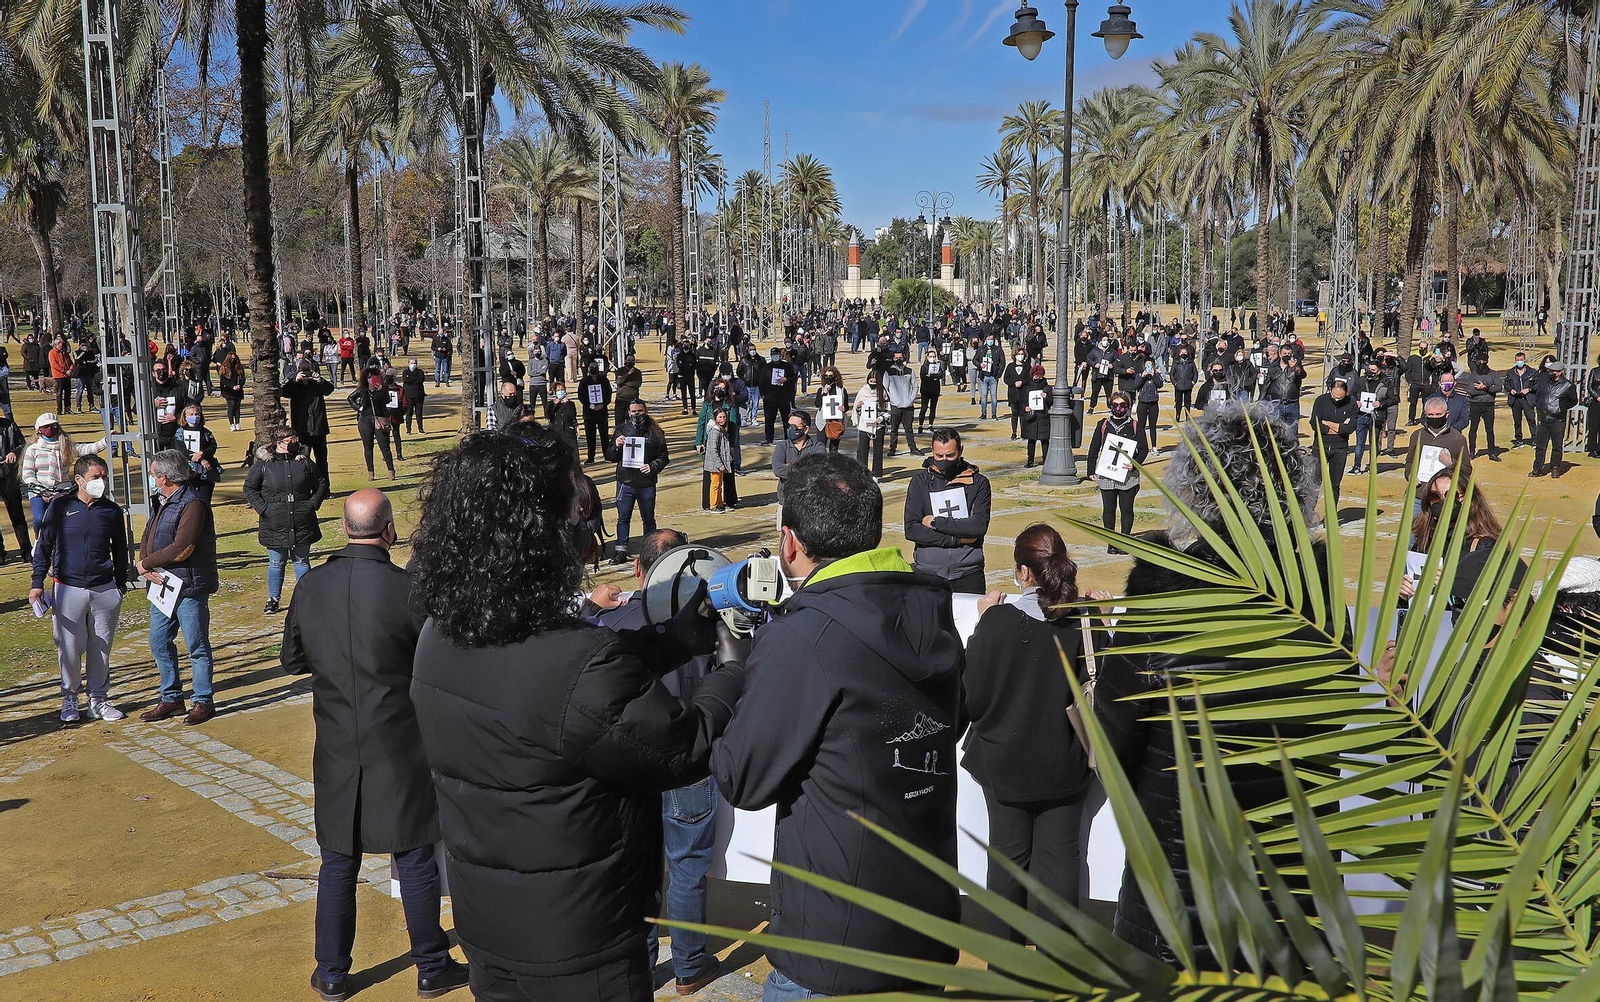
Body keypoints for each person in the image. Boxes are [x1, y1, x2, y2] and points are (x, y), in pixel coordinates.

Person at [408, 429, 746, 1002]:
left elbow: (556, 702)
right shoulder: (578, 662)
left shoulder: (440, 636)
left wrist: (667, 641)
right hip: (580, 941)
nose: (583, 529)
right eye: (575, 511)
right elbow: (682, 747)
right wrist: (733, 669)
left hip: (488, 924)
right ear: (538, 534)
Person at [711, 453, 961, 999]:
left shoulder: (806, 636)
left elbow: (743, 779)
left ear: (789, 542)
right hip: (925, 925)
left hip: (832, 944)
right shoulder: (928, 606)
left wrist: (733, 672)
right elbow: (949, 720)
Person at [1093, 404, 1332, 968]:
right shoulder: (1309, 586)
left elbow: (1114, 732)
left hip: (1176, 867)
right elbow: (1329, 719)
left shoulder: (1160, 587)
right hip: (1286, 870)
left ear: (1192, 487)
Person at [282, 490, 469, 1002]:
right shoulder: (408, 589)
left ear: (345, 529)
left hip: (338, 741)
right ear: (387, 530)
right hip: (399, 741)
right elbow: (438, 661)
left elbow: (292, 659)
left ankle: (333, 972)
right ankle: (431, 965)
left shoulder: (311, 586)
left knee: (338, 861)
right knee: (413, 858)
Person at [584, 529, 725, 997]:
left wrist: (589, 609)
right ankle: (687, 966)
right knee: (686, 866)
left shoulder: (615, 620)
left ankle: (643, 959)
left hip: (634, 758)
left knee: (637, 866)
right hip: (689, 756)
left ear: (641, 571)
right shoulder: (714, 622)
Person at [963, 524, 1098, 921]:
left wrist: (981, 625)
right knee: (1062, 864)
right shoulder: (1082, 621)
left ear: (1023, 573)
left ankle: (1008, 974)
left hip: (1005, 765)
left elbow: (971, 698)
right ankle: (1063, 971)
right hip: (1066, 766)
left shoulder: (999, 622)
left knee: (1006, 864)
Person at [29, 455, 129, 722]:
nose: (102, 482)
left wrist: (120, 585)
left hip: (104, 589)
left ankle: (98, 699)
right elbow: (43, 547)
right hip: (67, 589)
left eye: (104, 477)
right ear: (79, 480)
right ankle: (69, 698)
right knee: (69, 648)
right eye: (97, 477)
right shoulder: (60, 507)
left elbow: (120, 549)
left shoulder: (111, 510)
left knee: (100, 648)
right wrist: (37, 582)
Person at [137, 449, 220, 725]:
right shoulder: (161, 500)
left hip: (189, 586)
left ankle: (203, 701)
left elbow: (182, 546)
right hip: (161, 587)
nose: (152, 479)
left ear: (165, 477)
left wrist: (147, 563)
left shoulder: (193, 503)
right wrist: (144, 565)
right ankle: (171, 697)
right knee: (159, 641)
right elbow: (147, 534)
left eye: (153, 475)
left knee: (196, 645)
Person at [245, 427, 329, 614]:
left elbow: (321, 483)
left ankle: (306, 598)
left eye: (295, 439)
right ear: (280, 443)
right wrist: (263, 508)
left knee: (301, 560)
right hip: (274, 520)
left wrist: (312, 504)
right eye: (291, 439)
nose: (294, 443)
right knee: (276, 562)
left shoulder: (304, 461)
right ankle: (273, 599)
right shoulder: (263, 464)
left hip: (301, 517)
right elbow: (250, 488)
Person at [903, 429, 991, 594]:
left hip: (968, 572)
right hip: (928, 572)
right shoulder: (919, 483)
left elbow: (978, 526)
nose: (944, 460)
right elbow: (912, 529)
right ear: (932, 452)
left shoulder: (979, 483)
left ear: (961, 451)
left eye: (950, 455)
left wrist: (936, 522)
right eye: (939, 456)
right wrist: (957, 539)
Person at [605, 400, 669, 563]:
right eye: (633, 411)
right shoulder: (622, 430)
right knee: (623, 518)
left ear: (646, 412)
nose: (637, 414)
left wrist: (653, 466)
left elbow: (664, 457)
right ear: (628, 412)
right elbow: (610, 456)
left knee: (648, 519)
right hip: (625, 482)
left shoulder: (655, 432)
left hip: (646, 483)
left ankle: (651, 551)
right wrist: (616, 446)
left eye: (640, 411)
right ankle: (620, 551)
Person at [1085, 391, 1149, 553]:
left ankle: (1125, 540)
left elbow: (1143, 449)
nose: (1118, 408)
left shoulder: (1135, 425)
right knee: (1108, 509)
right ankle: (1111, 542)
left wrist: (1134, 464)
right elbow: (1093, 448)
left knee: (1126, 508)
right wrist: (1090, 470)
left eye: (1122, 405)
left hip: (1128, 475)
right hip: (1107, 473)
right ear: (1110, 406)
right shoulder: (1103, 424)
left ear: (1127, 407)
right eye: (1115, 405)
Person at [21, 413, 106, 528]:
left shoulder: (66, 446)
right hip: (38, 492)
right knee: (39, 519)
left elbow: (87, 449)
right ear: (39, 430)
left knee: (66, 519)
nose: (50, 429)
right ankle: (40, 542)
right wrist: (42, 492)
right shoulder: (33, 449)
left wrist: (105, 441)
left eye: (54, 426)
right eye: (46, 427)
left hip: (62, 490)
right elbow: (27, 474)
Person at [281, 361, 335, 485]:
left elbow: (329, 389)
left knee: (322, 460)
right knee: (302, 460)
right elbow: (284, 392)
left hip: (318, 428)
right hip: (301, 429)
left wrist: (320, 380)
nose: (306, 376)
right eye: (303, 373)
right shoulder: (295, 386)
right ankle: (306, 488)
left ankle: (325, 488)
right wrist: (294, 380)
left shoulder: (317, 385)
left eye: (308, 372)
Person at [1310, 377, 1359, 499]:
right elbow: (1315, 424)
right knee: (1314, 482)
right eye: (1334, 396)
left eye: (1340, 398)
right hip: (1320, 447)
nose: (1337, 400)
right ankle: (1308, 515)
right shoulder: (1321, 401)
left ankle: (1330, 517)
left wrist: (1328, 423)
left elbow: (1350, 428)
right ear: (1330, 391)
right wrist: (1338, 427)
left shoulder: (1351, 404)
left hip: (1340, 449)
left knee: (1334, 485)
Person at [1532, 360, 1579, 477]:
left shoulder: (1568, 385)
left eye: (1553, 371)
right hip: (1543, 418)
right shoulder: (1543, 382)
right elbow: (1538, 395)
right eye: (1550, 371)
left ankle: (1555, 467)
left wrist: (1562, 407)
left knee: (1557, 446)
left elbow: (1574, 400)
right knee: (1540, 446)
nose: (1551, 373)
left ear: (1559, 372)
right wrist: (1539, 406)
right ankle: (1537, 468)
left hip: (1557, 420)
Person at [349, 372, 398, 481]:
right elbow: (350, 398)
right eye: (369, 377)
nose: (371, 380)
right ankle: (370, 472)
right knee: (368, 447)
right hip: (365, 420)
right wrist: (358, 408)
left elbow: (387, 400)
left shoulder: (381, 389)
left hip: (380, 420)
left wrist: (382, 390)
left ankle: (391, 470)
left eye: (373, 377)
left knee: (384, 446)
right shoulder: (362, 389)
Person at [883, 351, 920, 457]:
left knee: (909, 429)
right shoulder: (888, 372)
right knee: (894, 429)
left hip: (908, 406)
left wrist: (911, 399)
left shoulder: (910, 371)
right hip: (895, 406)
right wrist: (893, 400)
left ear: (904, 358)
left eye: (900, 357)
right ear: (893, 359)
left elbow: (915, 386)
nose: (898, 359)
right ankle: (892, 449)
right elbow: (885, 388)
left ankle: (913, 448)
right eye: (896, 357)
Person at [852, 370, 888, 478]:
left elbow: (888, 409)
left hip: (878, 425)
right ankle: (862, 472)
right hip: (864, 425)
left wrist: (881, 418)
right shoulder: (863, 391)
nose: (872, 383)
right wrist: (859, 406)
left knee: (878, 449)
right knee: (862, 449)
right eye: (870, 381)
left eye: (874, 381)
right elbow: (856, 409)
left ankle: (876, 474)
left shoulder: (883, 392)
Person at [577, 359, 612, 464]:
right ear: (588, 369)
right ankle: (591, 457)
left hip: (602, 412)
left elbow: (608, 394)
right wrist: (590, 406)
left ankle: (607, 455)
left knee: (604, 435)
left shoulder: (604, 380)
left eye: (595, 367)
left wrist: (603, 405)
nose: (594, 369)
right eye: (592, 367)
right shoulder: (584, 381)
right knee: (590, 436)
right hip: (589, 413)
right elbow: (581, 396)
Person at [703, 408, 734, 513]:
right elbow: (713, 449)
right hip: (715, 463)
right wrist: (719, 464)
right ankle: (713, 505)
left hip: (720, 462)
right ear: (715, 417)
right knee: (715, 484)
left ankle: (720, 503)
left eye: (724, 417)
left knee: (719, 484)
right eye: (720, 417)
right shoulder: (715, 431)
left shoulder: (721, 429)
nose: (723, 419)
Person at [1021, 366, 1052, 467]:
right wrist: (1025, 407)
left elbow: (1052, 402)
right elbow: (1021, 401)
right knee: (1031, 440)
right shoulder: (1027, 388)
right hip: (1032, 417)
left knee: (1045, 440)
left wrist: (1047, 397)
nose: (1037, 377)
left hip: (1044, 417)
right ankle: (1030, 460)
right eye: (1035, 375)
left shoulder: (1047, 388)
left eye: (1039, 376)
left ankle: (1046, 459)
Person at [218, 351, 246, 431]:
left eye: (234, 358)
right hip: (229, 391)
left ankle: (237, 423)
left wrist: (240, 385)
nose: (233, 360)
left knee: (237, 407)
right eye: (231, 358)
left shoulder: (239, 367)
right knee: (231, 407)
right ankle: (231, 424)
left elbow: (243, 378)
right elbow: (223, 380)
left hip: (238, 390)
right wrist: (231, 386)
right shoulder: (224, 368)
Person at [917, 350, 942, 432]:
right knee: (924, 408)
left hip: (935, 390)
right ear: (927, 357)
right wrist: (934, 377)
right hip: (925, 390)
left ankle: (930, 425)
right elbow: (923, 377)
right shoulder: (924, 366)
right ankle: (920, 425)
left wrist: (931, 375)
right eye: (931, 356)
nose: (932, 358)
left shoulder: (938, 365)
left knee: (933, 408)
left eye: (934, 356)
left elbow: (941, 375)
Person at [403, 358, 428, 433]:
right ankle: (408, 429)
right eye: (411, 363)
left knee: (419, 413)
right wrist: (414, 380)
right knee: (409, 413)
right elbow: (406, 380)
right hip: (409, 396)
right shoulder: (405, 372)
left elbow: (420, 380)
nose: (413, 365)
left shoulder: (420, 372)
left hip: (419, 396)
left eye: (414, 363)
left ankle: (420, 429)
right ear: (408, 363)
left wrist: (411, 380)